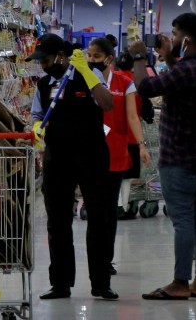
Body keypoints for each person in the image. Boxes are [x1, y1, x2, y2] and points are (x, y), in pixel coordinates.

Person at [128, 13, 196, 301]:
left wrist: (140, 56)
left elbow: (146, 88)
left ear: (187, 39)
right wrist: (169, 57)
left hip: (178, 157)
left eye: (175, 33)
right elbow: (178, 80)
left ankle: (180, 282)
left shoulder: (187, 70)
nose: (171, 37)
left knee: (182, 221)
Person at [28, 33, 119, 301]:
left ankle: (101, 283)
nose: (42, 66)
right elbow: (36, 114)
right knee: (57, 221)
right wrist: (35, 126)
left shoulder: (89, 73)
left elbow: (107, 103)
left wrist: (88, 75)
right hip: (58, 159)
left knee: (99, 218)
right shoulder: (44, 84)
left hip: (91, 156)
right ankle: (60, 283)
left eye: (45, 60)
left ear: (60, 56)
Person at [85, 36, 151, 275]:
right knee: (95, 209)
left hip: (116, 153)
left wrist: (141, 145)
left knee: (110, 208)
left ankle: (107, 258)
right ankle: (96, 259)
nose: (92, 60)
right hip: (89, 154)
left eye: (97, 57)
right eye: (89, 56)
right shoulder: (83, 79)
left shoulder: (125, 83)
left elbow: (133, 116)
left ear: (109, 59)